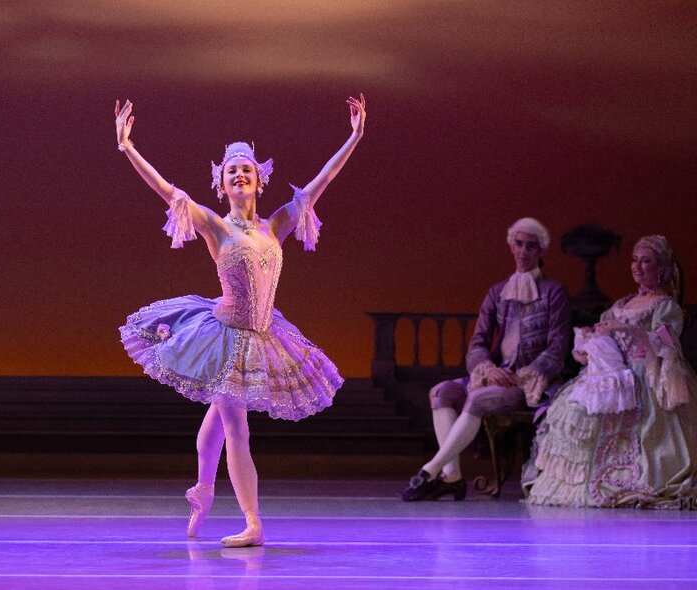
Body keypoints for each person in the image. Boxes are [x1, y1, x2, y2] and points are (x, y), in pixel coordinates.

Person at [114, 95, 366, 546]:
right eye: (231, 171)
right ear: (222, 185)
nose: (239, 174)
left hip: (263, 335)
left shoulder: (276, 225)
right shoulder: (216, 226)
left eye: (246, 168)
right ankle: (253, 522)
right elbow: (168, 192)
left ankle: (203, 492)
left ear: (258, 180)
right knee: (236, 425)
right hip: (224, 335)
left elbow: (321, 181)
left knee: (217, 420)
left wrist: (355, 136)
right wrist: (128, 148)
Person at [401, 218, 571, 501]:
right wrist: (488, 369)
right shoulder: (497, 292)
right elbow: (478, 342)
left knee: (478, 400)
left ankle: (430, 470)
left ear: (541, 251)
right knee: (441, 392)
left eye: (531, 246)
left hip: (528, 383)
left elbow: (556, 349)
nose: (524, 251)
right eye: (519, 244)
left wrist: (524, 375)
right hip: (495, 375)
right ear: (511, 247)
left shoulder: (554, 293)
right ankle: (452, 477)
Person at [523, 235, 697, 508]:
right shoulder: (621, 304)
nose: (638, 267)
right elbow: (604, 336)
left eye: (646, 261)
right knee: (573, 410)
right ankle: (571, 483)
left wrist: (628, 330)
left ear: (661, 268)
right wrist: (587, 346)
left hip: (645, 375)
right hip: (612, 375)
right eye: (634, 260)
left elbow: (666, 344)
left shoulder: (665, 306)